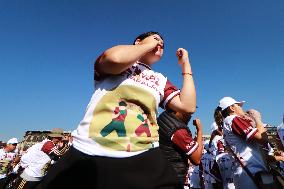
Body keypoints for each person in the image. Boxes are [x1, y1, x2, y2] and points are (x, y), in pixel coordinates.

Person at [36, 31, 197, 189]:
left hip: (143, 153)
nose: (160, 43)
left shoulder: (160, 79)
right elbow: (113, 58)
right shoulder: (122, 60)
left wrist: (186, 64)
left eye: (162, 43)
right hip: (89, 149)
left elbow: (188, 105)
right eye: (156, 38)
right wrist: (148, 45)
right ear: (138, 42)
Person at [214, 97, 280, 189]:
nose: (241, 108)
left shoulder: (229, 121)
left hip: (246, 172)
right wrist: (258, 120)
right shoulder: (232, 119)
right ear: (232, 108)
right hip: (250, 172)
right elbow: (262, 138)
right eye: (238, 106)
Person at [157, 110, 203, 188]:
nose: (190, 116)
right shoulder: (178, 130)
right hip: (173, 177)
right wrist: (199, 130)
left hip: (165, 173)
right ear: (177, 110)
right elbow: (197, 159)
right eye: (188, 113)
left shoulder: (164, 117)